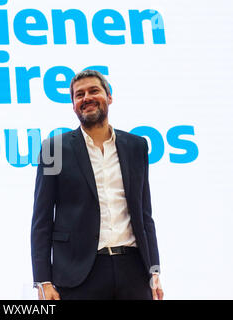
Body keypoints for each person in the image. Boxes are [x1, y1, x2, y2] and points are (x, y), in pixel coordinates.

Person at [31, 70, 163, 300]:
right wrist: (43, 280)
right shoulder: (54, 150)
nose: (86, 98)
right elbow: (42, 220)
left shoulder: (136, 146)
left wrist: (154, 271)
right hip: (78, 274)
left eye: (94, 91)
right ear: (73, 105)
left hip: (133, 270)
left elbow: (144, 215)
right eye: (79, 95)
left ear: (109, 97)